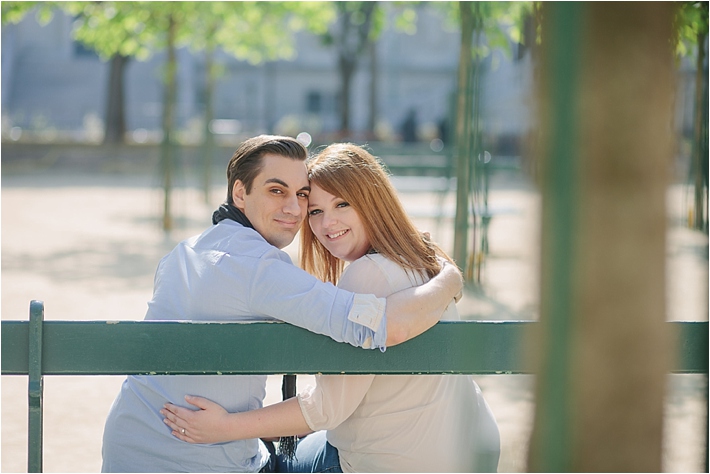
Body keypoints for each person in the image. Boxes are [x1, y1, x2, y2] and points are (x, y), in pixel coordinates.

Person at [101, 135, 462, 473]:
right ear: (239, 193)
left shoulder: (185, 251)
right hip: (202, 459)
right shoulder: (259, 267)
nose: (294, 208)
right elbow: (382, 325)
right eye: (277, 190)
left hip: (127, 444)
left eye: (302, 194)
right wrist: (448, 279)